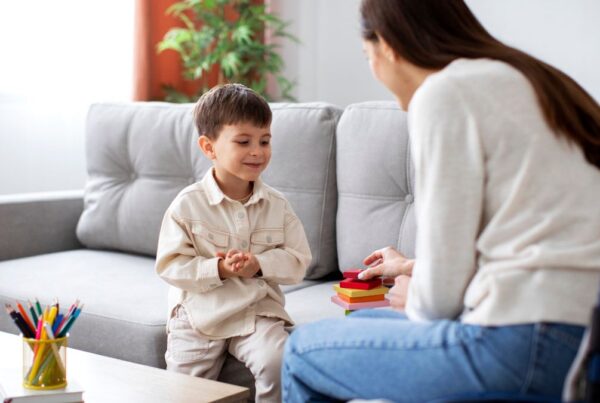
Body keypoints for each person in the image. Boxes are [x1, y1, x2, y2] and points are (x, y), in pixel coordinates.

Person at [282, 0, 600, 401]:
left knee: (302, 349)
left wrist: (416, 293)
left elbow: (437, 301)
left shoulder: (445, 93)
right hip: (581, 336)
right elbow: (530, 242)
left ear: (387, 46)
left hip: (524, 339)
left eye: (367, 56)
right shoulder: (535, 80)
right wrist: (412, 268)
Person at [155, 83, 312, 402]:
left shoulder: (278, 206)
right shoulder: (187, 205)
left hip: (256, 309)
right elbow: (171, 265)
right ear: (209, 147)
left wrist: (259, 265)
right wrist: (219, 269)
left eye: (264, 140)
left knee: (279, 362)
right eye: (244, 141)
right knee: (184, 390)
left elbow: (298, 260)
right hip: (199, 313)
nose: (258, 151)